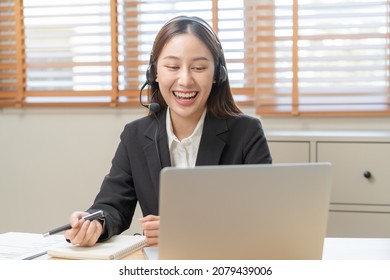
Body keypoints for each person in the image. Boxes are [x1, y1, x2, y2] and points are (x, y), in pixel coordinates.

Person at [65, 16, 272, 247]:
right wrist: (95, 222)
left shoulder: (246, 133)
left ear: (217, 74)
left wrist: (188, 230)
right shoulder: (135, 135)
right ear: (154, 73)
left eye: (199, 68)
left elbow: (264, 216)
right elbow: (112, 206)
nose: (185, 80)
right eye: (172, 67)